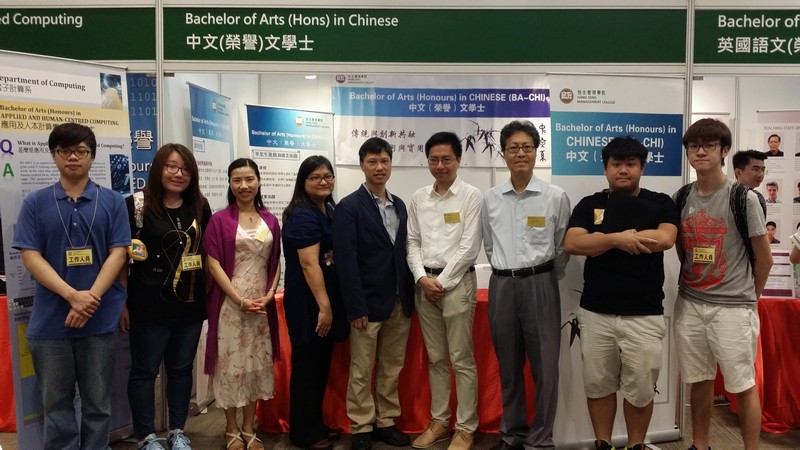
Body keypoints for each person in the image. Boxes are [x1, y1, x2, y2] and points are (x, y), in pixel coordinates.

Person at [11, 122, 130, 449]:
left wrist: (89, 299)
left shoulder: (112, 202)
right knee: (56, 407)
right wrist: (72, 296)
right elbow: (31, 257)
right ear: (54, 155)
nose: (73, 157)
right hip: (51, 325)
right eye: (64, 150)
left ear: (92, 156)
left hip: (99, 320)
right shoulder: (36, 202)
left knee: (98, 406)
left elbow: (119, 253)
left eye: (80, 151)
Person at [564, 136, 679, 450]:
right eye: (616, 164)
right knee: (598, 385)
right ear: (606, 168)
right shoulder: (590, 204)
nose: (623, 170)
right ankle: (603, 442)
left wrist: (602, 241)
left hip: (644, 313)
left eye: (631, 163)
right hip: (596, 312)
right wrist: (617, 240)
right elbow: (574, 243)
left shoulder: (660, 202)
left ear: (642, 167)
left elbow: (666, 238)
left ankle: (636, 445)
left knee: (640, 388)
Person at [674, 118, 772, 450]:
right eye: (693, 146)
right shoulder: (683, 196)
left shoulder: (743, 198)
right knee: (698, 381)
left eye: (709, 145)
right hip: (690, 303)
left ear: (724, 151)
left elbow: (764, 257)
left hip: (732, 309)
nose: (700, 152)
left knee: (743, 384)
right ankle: (700, 445)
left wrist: (748, 298)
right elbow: (683, 251)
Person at [481, 120, 570, 450]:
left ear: (537, 152)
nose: (520, 153)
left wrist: (544, 277)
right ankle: (512, 433)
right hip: (502, 285)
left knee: (546, 369)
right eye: (513, 148)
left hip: (541, 284)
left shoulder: (554, 196)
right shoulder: (490, 199)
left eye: (526, 147)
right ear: (503, 154)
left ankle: (541, 439)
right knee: (508, 366)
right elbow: (489, 245)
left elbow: (561, 247)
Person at [121, 144, 212, 450]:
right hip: (147, 304)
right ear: (158, 168)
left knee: (181, 369)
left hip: (189, 304)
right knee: (145, 371)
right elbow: (120, 258)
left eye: (185, 169)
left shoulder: (199, 205)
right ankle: (146, 435)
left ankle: (177, 431)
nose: (178, 174)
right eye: (171, 167)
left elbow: (207, 255)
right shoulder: (136, 205)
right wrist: (121, 302)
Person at [332, 137, 414, 450]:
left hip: (398, 300)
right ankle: (362, 426)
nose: (379, 167)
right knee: (362, 369)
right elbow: (346, 260)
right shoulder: (349, 207)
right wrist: (355, 306)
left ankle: (386, 421)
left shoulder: (400, 205)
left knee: (392, 367)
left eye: (384, 161)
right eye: (372, 162)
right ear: (362, 165)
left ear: (391, 163)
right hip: (366, 302)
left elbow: (404, 252)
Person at [406, 132, 482, 450]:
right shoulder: (418, 198)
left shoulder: (471, 196)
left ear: (458, 161)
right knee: (437, 359)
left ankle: (465, 428)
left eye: (446, 159)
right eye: (434, 160)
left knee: (461, 358)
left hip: (457, 285)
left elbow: (469, 247)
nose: (440, 165)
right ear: (428, 162)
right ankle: (439, 422)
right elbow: (412, 242)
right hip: (426, 287)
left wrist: (442, 282)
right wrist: (423, 279)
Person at [203, 158, 282, 450]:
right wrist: (239, 300)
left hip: (261, 307)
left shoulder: (270, 220)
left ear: (258, 181)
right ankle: (231, 429)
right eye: (237, 180)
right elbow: (213, 264)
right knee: (230, 366)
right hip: (231, 306)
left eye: (249, 179)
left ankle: (250, 428)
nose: (244, 186)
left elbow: (275, 264)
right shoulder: (219, 219)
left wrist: (269, 295)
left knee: (255, 366)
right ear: (230, 183)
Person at [282, 155, 349, 450]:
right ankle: (303, 433)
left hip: (325, 298)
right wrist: (324, 307)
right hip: (309, 303)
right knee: (307, 367)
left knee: (320, 366)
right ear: (303, 182)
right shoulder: (302, 214)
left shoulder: (329, 208)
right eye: (315, 178)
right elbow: (310, 265)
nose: (323, 182)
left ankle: (314, 424)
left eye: (328, 176)